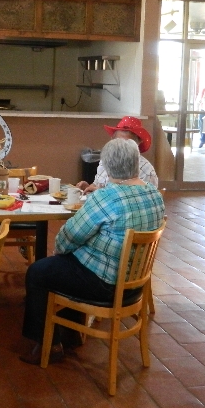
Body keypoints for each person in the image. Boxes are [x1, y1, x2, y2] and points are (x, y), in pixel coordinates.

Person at [20, 138, 166, 365]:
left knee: (38, 272)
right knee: (69, 264)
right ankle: (71, 334)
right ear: (136, 163)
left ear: (107, 166)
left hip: (106, 284)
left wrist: (61, 250)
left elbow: (68, 237)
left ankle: (48, 345)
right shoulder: (153, 194)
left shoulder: (107, 197)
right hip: (135, 284)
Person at [76, 116, 158, 193]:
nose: (121, 146)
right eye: (118, 141)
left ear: (138, 144)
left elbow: (138, 200)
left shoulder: (147, 171)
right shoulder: (106, 160)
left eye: (127, 143)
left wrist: (101, 192)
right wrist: (88, 187)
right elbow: (96, 184)